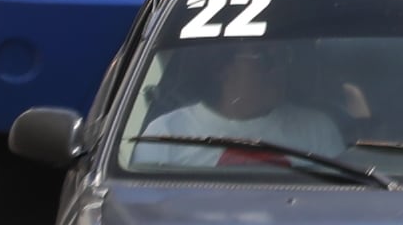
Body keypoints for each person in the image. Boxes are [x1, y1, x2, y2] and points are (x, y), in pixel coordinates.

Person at [137, 37, 347, 165]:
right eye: (264, 59)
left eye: (284, 57)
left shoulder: (317, 129)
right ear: (221, 68)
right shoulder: (166, 134)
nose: (279, 68)